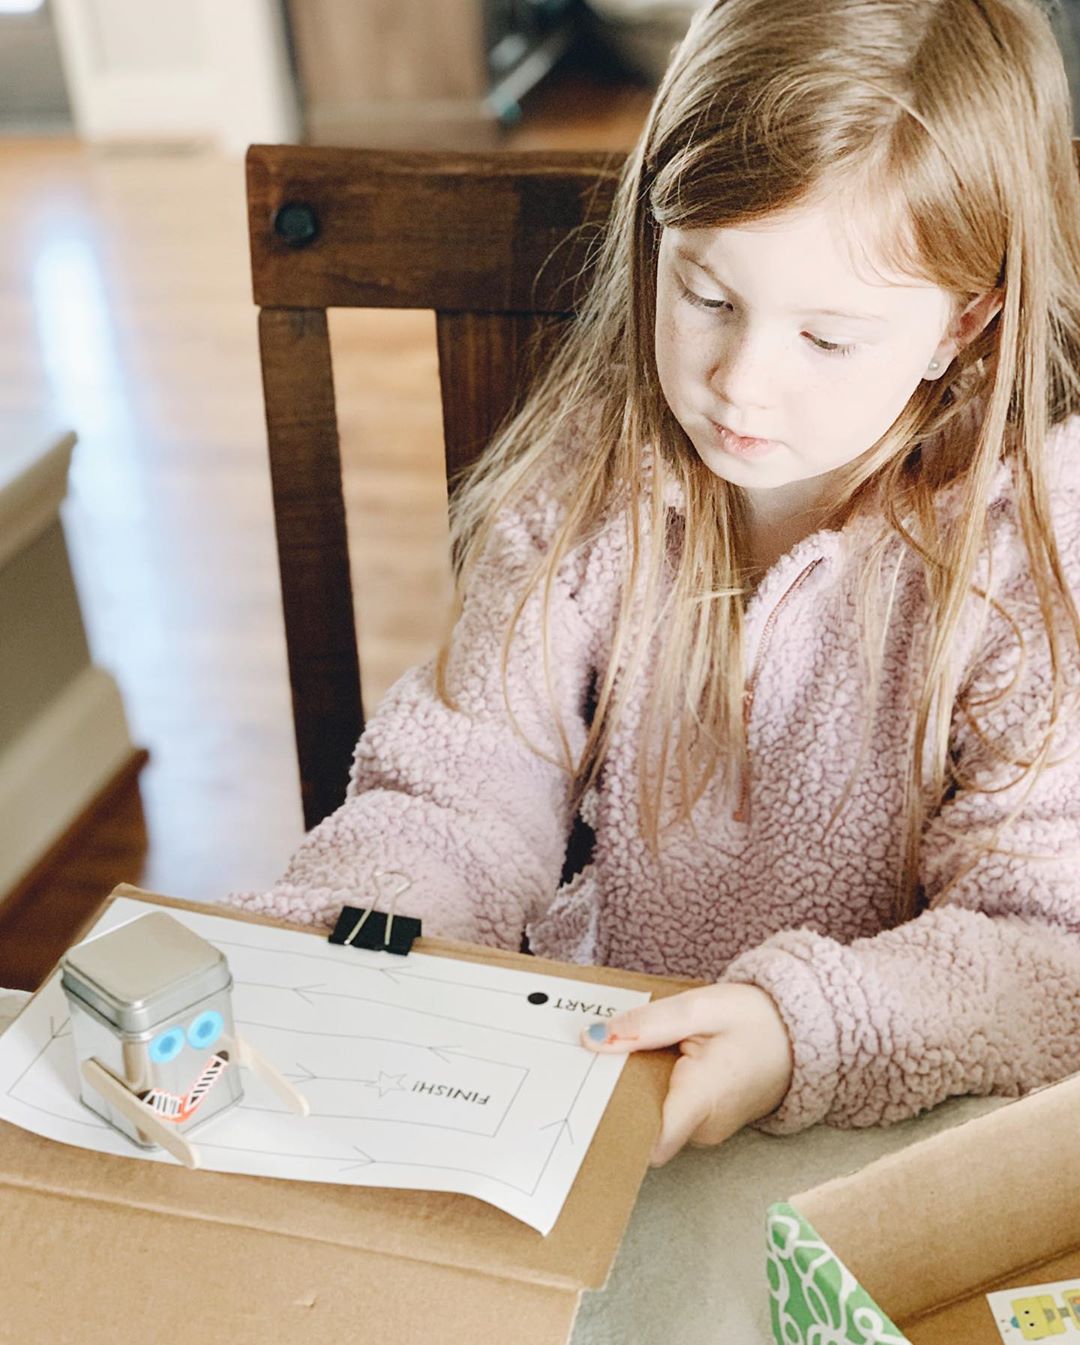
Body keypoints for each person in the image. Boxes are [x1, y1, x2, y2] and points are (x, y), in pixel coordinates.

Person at [227, 0, 1080, 1167]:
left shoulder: (1038, 555)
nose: (741, 384)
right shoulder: (591, 478)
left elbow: (1047, 954)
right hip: (594, 1082)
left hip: (874, 1145)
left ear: (963, 325)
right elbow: (463, 791)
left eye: (827, 339)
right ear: (655, 233)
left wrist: (797, 1029)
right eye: (709, 295)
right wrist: (349, 930)